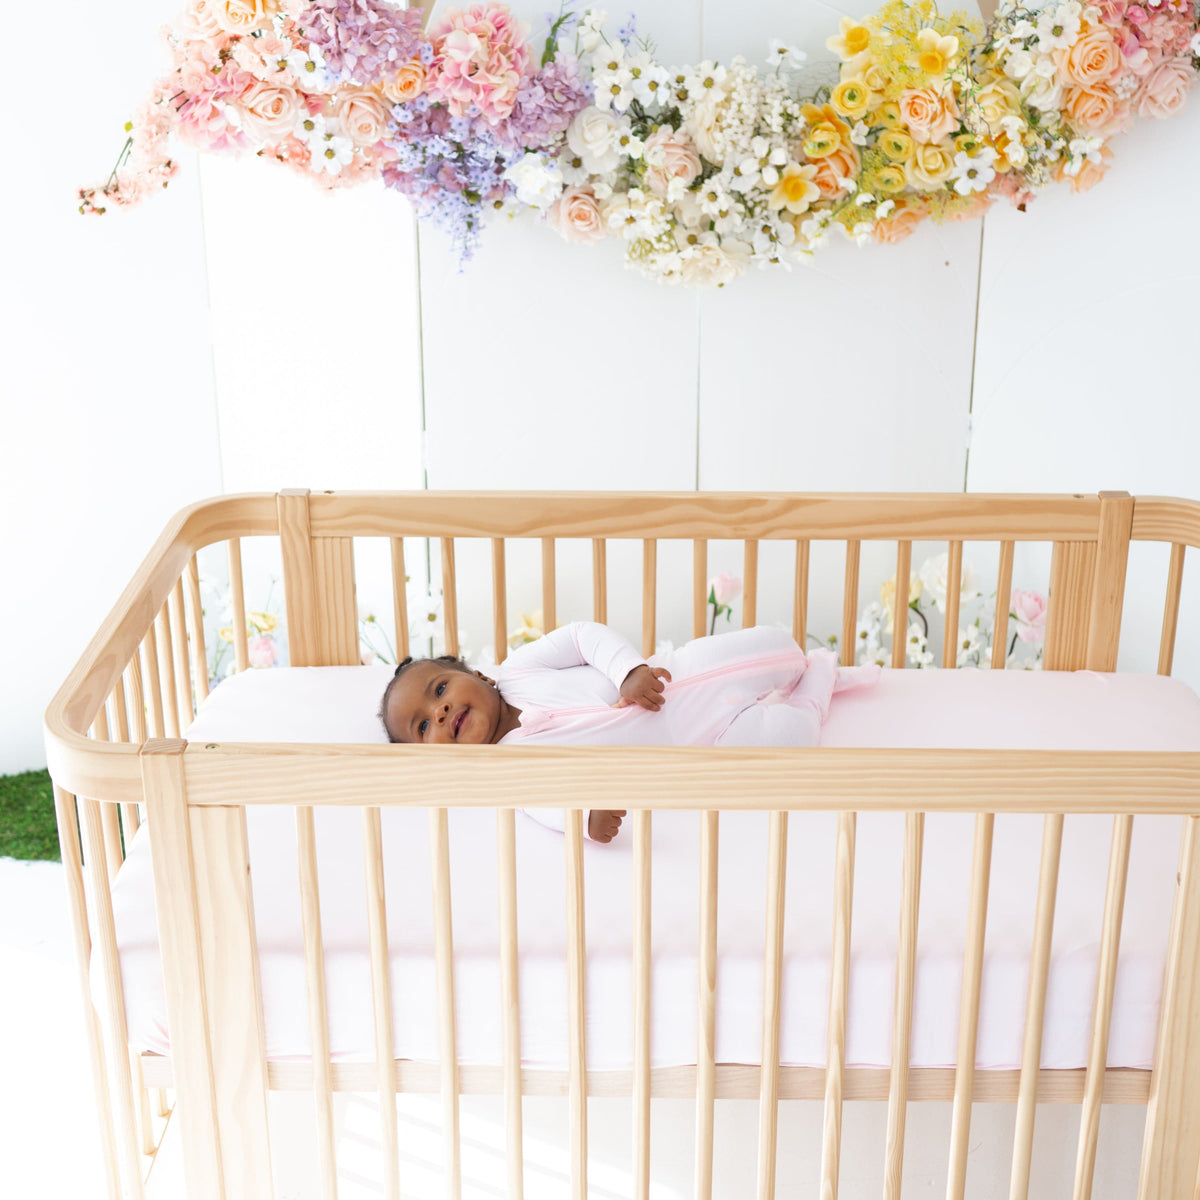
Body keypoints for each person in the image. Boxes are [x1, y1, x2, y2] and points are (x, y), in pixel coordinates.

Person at [378, 621, 879, 842]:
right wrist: (585, 819)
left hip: (679, 675)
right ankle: (820, 680)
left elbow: (579, 636)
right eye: (423, 726)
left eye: (441, 690)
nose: (440, 713)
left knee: (778, 646)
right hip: (702, 749)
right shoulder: (510, 770)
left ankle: (796, 665)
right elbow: (549, 808)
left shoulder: (520, 670)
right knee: (789, 742)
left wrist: (627, 670)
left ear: (479, 676)